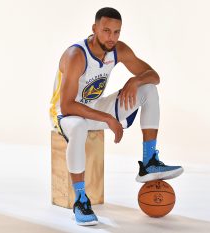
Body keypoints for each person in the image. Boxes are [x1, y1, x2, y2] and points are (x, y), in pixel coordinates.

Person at [49, 7, 183, 226]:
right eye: (106, 31)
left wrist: (135, 81)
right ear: (95, 29)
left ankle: (149, 161)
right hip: (65, 115)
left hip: (95, 107)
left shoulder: (118, 50)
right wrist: (108, 119)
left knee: (149, 90)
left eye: (116, 32)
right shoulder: (76, 55)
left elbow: (154, 76)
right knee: (80, 127)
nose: (111, 37)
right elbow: (66, 105)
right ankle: (81, 200)